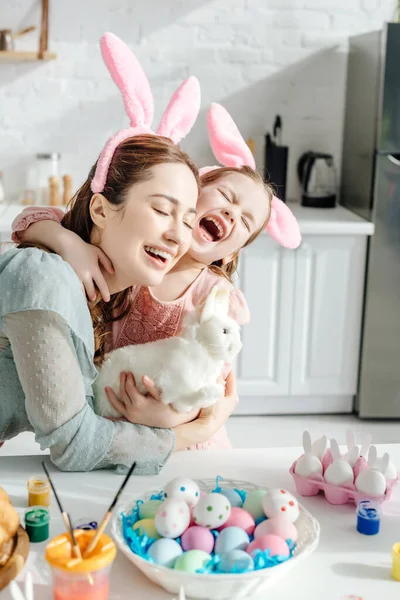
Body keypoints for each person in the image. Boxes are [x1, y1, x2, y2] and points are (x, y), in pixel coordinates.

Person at [0, 33, 238, 473]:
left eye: (187, 221)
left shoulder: (107, 301)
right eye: (162, 210)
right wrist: (193, 432)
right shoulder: (45, 276)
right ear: (100, 209)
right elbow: (74, 444)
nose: (175, 235)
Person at [11, 104, 301, 450]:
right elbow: (29, 220)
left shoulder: (215, 298)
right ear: (194, 190)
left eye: (246, 221)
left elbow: (213, 383)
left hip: (182, 444)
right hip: (110, 425)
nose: (230, 212)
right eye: (226, 196)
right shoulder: (130, 252)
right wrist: (68, 242)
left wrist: (170, 421)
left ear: (231, 252)